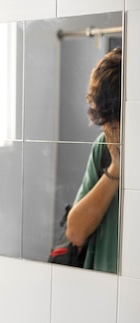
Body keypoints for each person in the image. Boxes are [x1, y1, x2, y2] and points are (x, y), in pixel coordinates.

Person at [66, 47, 122, 273]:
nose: (114, 132)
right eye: (108, 123)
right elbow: (75, 233)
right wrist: (116, 168)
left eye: (118, 122)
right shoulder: (103, 148)